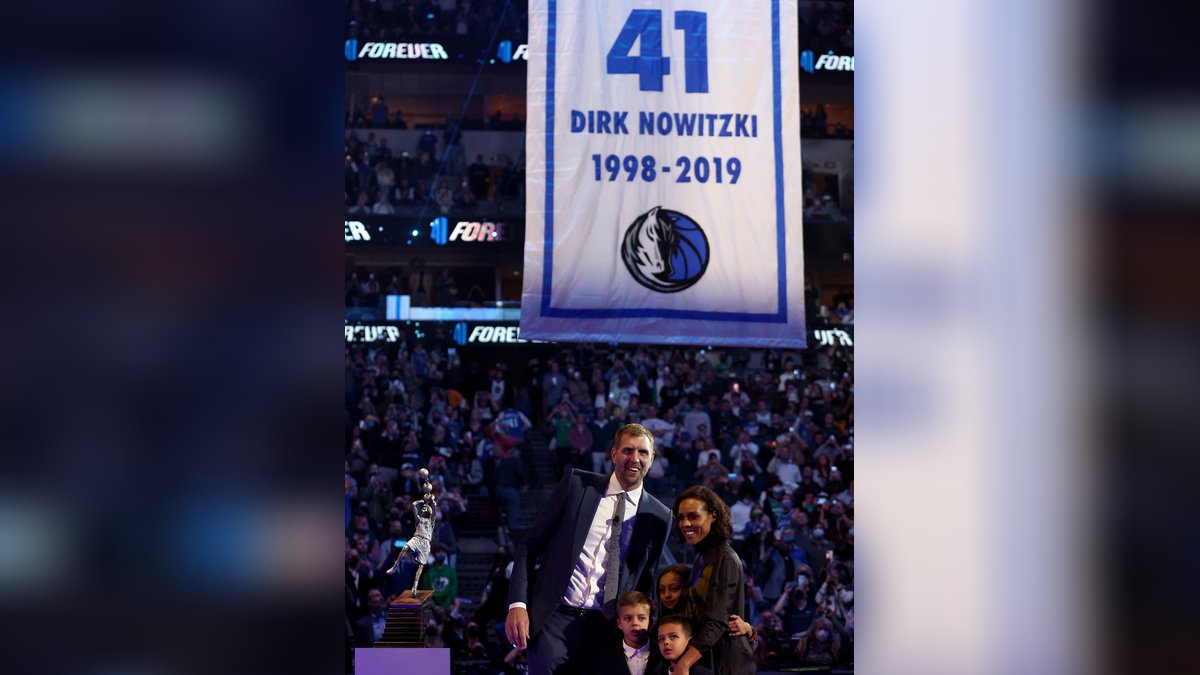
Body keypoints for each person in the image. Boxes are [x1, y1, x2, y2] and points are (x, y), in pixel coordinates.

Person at [505, 423, 673, 675]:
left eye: (642, 452)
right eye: (627, 450)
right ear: (613, 453)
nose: (634, 459)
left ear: (652, 458)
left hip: (608, 630)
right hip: (554, 619)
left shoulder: (660, 515)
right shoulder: (577, 485)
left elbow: (645, 581)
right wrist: (517, 604)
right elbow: (530, 544)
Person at [670, 486, 756, 675]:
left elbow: (717, 622)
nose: (685, 523)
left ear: (713, 517)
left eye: (693, 516)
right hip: (708, 661)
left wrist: (684, 663)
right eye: (681, 517)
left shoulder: (723, 558)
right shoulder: (703, 556)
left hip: (724, 664)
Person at [596, 591, 657, 675]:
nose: (635, 623)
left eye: (641, 618)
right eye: (628, 618)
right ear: (619, 624)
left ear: (650, 622)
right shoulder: (605, 657)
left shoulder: (662, 654)